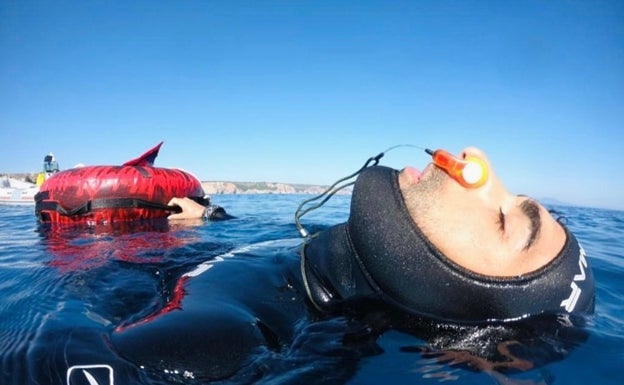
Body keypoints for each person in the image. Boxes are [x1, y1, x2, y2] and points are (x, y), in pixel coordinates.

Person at [110, 146, 594, 382]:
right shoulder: (306, 262)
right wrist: (210, 220)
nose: (477, 160)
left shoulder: (210, 345)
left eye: (507, 221)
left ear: (461, 294)